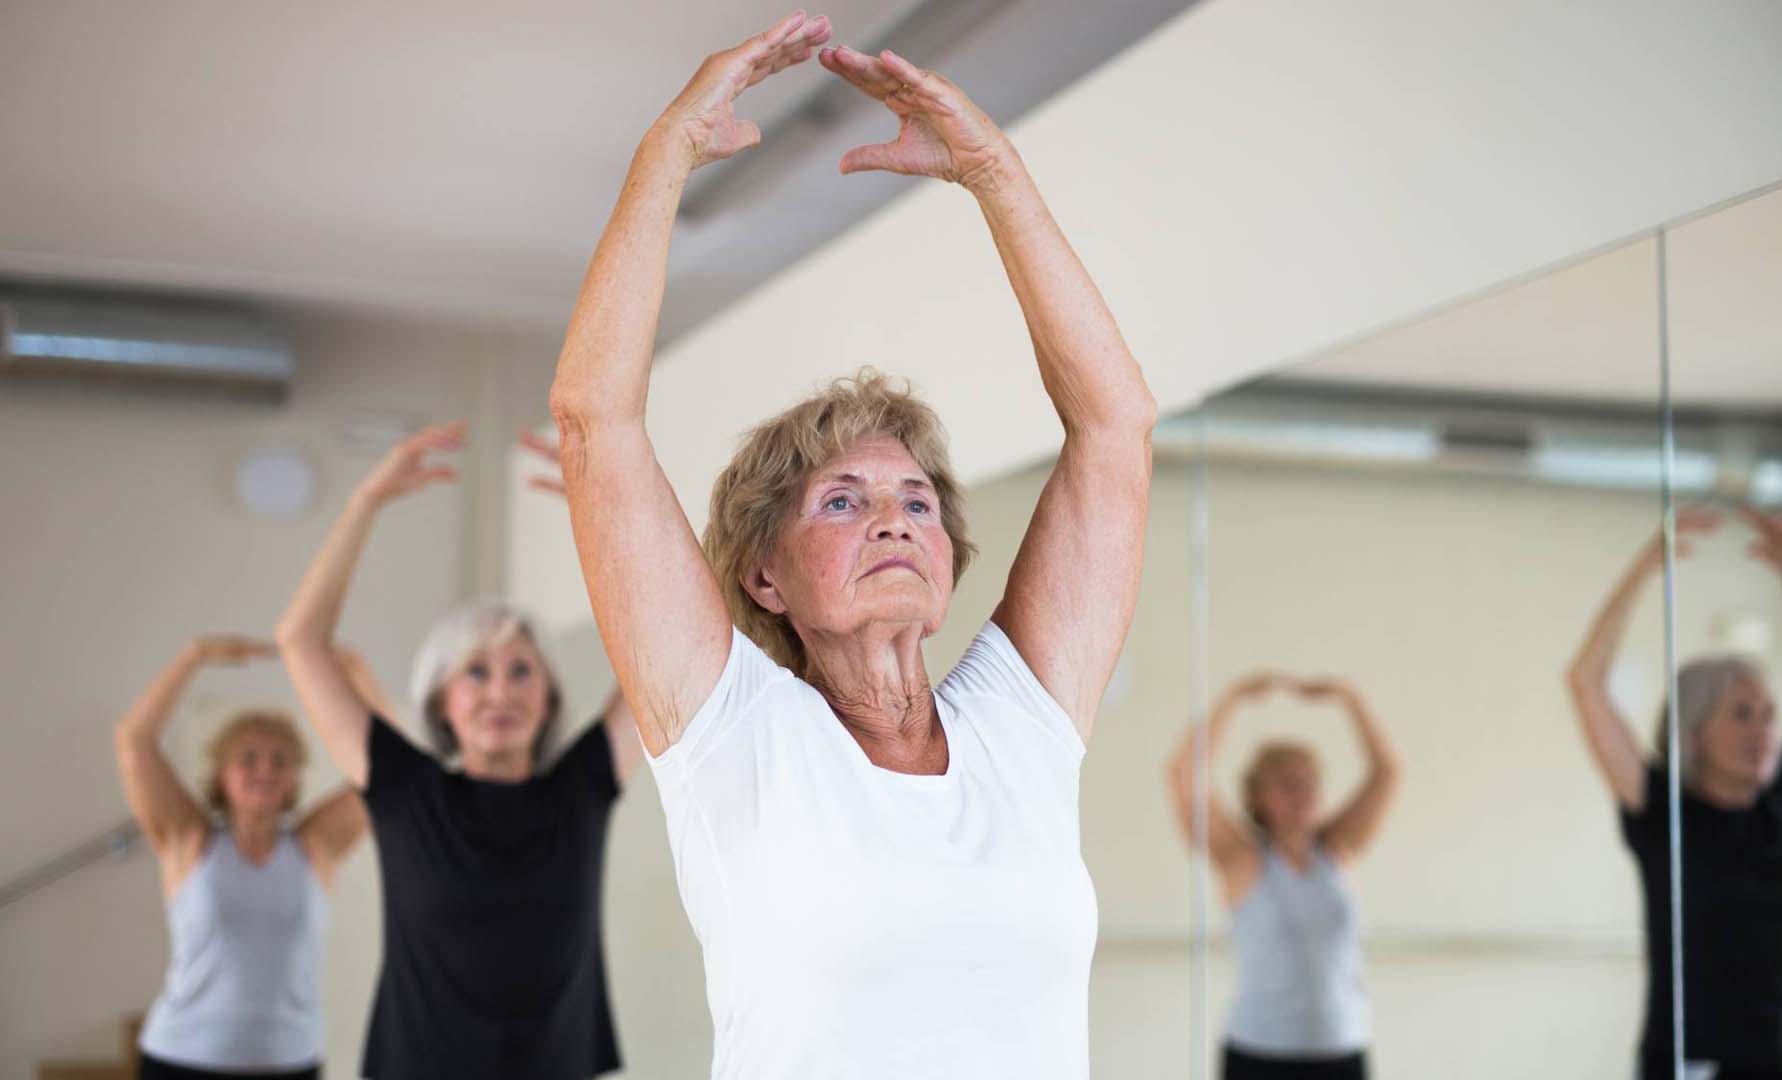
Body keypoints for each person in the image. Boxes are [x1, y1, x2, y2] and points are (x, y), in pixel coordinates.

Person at [547, 10, 1158, 1078]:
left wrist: (996, 177)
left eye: (918, 503)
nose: (893, 518)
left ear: (949, 558)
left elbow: (1116, 431)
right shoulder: (737, 732)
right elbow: (595, 427)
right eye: (842, 502)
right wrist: (664, 156)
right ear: (763, 576)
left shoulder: (1023, 723)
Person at [274, 425, 643, 1080]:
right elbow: (300, 641)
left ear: (551, 700)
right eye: (475, 673)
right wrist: (366, 502)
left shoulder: (581, 788)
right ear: (442, 703)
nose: (500, 691)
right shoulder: (403, 790)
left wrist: (614, 511)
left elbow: (669, 645)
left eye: (521, 671)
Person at [1566, 507, 1782, 1080]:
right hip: (1693, 1066)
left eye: (1769, 714)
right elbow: (1585, 683)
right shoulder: (1661, 810)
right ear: (1694, 732)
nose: (1765, 730)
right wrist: (1645, 570)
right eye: (1742, 715)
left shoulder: (1777, 805)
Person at [115, 635, 374, 1080]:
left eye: (280, 760)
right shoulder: (189, 839)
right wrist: (191, 656)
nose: (265, 770)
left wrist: (356, 671)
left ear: (295, 779)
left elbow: (388, 769)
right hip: (183, 1060)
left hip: (291, 1062)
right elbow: (133, 741)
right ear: (221, 773)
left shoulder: (317, 846)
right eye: (248, 758)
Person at [1165, 672, 1399, 1080]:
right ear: (1258, 796)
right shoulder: (1243, 859)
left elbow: (1387, 772)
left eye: (1310, 782)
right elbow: (1184, 777)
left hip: (1342, 1050)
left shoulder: (1338, 851)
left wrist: (1350, 698)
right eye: (1288, 783)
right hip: (1259, 1055)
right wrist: (1232, 698)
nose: (1303, 792)